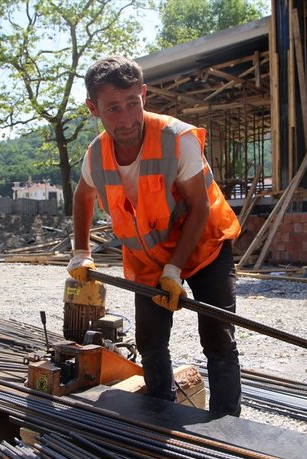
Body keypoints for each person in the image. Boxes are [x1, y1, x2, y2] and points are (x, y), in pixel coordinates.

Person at [67, 56, 242, 416]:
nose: (127, 118)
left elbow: (199, 208)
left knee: (218, 340)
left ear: (144, 93)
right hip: (147, 257)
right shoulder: (95, 154)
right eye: (113, 108)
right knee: (150, 342)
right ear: (92, 108)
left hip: (204, 247)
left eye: (133, 103)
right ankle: (159, 417)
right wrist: (81, 250)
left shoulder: (176, 139)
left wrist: (175, 270)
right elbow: (82, 196)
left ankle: (228, 426)